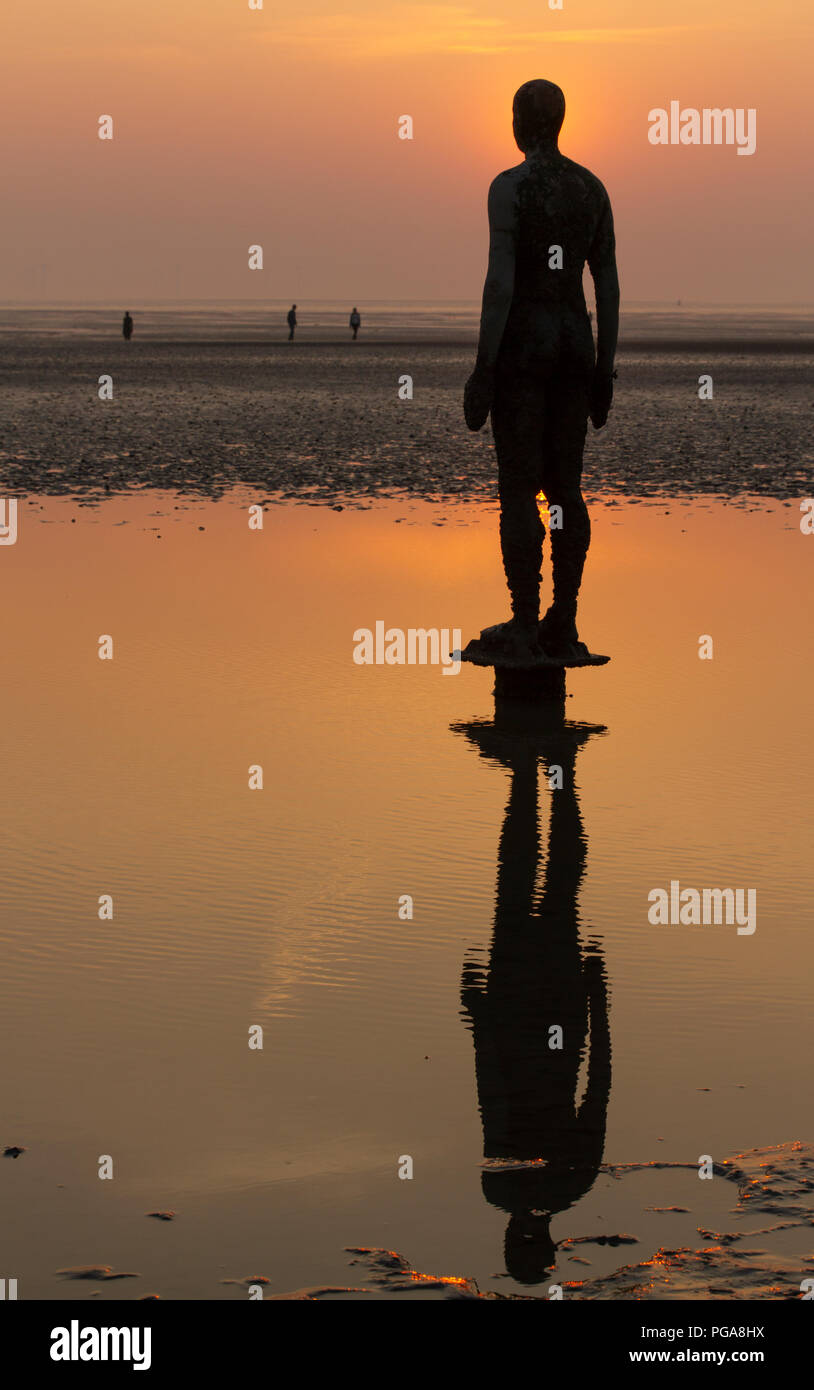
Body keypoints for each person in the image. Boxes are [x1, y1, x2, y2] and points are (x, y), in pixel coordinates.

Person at [464, 79, 619, 663]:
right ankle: (565, 617)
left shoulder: (511, 189)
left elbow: (500, 282)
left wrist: (484, 366)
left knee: (517, 487)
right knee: (565, 489)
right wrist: (605, 367)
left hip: (525, 347)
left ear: (519, 122)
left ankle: (527, 620)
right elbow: (606, 284)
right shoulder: (591, 189)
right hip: (574, 345)